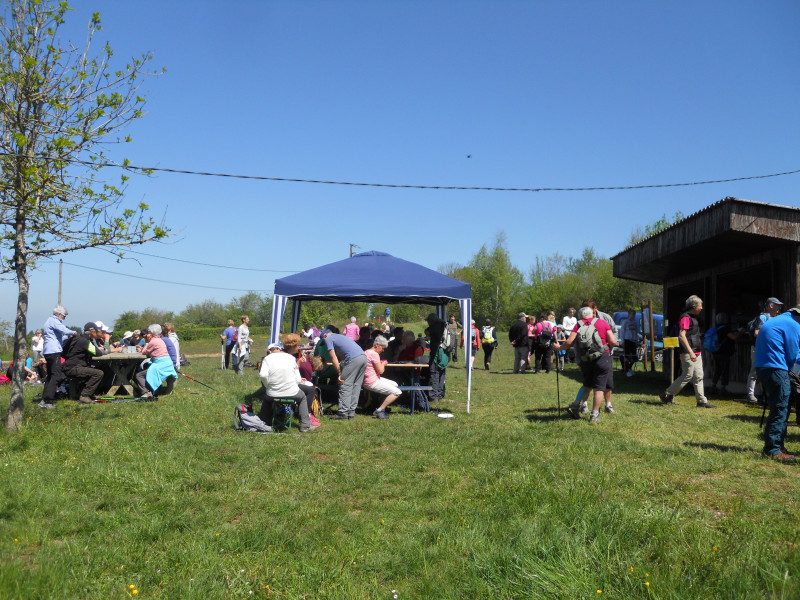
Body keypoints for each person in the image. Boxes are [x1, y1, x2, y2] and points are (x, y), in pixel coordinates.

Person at [754, 305, 800, 461]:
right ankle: (773, 449)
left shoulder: (777, 320)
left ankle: (777, 445)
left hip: (763, 367)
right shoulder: (793, 325)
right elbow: (793, 355)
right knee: (780, 408)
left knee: (779, 407)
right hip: (776, 369)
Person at [557, 306, 617, 423]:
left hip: (586, 359)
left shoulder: (578, 324)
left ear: (580, 316)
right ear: (592, 314)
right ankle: (594, 415)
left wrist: (559, 348)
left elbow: (569, 342)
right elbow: (613, 341)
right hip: (602, 357)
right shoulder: (602, 322)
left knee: (587, 384)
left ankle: (575, 405)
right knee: (599, 388)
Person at [660, 295, 716, 408]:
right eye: (700, 305)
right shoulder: (685, 318)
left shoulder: (694, 318)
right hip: (688, 352)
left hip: (697, 352)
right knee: (687, 375)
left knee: (699, 376)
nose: (702, 307)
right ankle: (667, 394)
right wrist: (690, 352)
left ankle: (701, 401)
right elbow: (682, 336)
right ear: (694, 306)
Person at [258, 338, 317, 433]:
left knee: (267, 398)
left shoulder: (267, 359)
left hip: (273, 393)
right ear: (280, 349)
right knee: (302, 398)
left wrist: (267, 385)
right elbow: (298, 380)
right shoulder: (291, 358)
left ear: (270, 351)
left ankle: (263, 422)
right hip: (292, 392)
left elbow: (263, 375)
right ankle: (305, 426)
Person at [321, 326, 367, 419]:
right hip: (363, 357)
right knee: (356, 386)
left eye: (323, 342)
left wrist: (339, 374)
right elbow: (343, 356)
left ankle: (343, 413)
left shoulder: (329, 338)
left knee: (345, 384)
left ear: (325, 336)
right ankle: (351, 412)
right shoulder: (340, 337)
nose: (325, 344)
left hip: (353, 359)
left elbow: (334, 358)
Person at [746, 297, 783, 404]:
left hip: (768, 349)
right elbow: (756, 333)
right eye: (778, 305)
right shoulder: (763, 317)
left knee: (767, 372)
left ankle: (765, 395)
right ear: (771, 306)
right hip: (759, 349)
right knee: (754, 372)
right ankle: (751, 395)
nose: (779, 307)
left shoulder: (775, 318)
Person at [40, 305, 75, 409]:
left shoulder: (49, 321)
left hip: (48, 351)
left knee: (50, 375)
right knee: (56, 375)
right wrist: (73, 332)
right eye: (64, 316)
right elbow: (63, 330)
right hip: (53, 351)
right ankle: (49, 401)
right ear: (59, 314)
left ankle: (44, 399)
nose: (64, 318)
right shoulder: (54, 321)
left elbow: (59, 335)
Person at [62, 322, 104, 404]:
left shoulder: (76, 338)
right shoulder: (85, 341)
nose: (97, 332)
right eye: (95, 331)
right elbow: (98, 353)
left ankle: (74, 395)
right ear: (91, 331)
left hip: (68, 367)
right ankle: (85, 396)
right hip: (74, 368)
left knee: (89, 370)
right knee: (98, 373)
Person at [134, 324, 178, 399]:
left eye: (148, 332)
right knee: (146, 370)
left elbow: (144, 352)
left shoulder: (153, 342)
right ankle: (154, 389)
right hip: (167, 363)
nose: (146, 334)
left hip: (160, 364)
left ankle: (145, 393)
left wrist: (146, 342)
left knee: (139, 375)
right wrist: (144, 348)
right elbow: (147, 350)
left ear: (152, 334)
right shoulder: (159, 340)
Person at [364, 335, 403, 419]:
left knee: (395, 384)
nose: (383, 350)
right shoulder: (374, 354)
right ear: (377, 345)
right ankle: (380, 410)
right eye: (383, 348)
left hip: (369, 379)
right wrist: (383, 363)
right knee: (397, 392)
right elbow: (381, 371)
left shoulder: (367, 352)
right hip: (371, 381)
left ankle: (381, 404)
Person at [708, 312, 740, 396]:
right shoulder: (725, 329)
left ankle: (713, 386)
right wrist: (741, 332)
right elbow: (734, 337)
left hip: (716, 352)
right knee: (725, 370)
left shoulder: (716, 328)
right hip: (724, 353)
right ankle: (723, 388)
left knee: (717, 369)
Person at [426, 313, 448, 400]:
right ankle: (440, 393)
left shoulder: (435, 326)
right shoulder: (443, 325)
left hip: (436, 353)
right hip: (444, 354)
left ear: (431, 321)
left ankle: (433, 395)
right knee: (441, 373)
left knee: (434, 373)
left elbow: (427, 332)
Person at [619, 309, 639, 376]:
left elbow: (636, 332)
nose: (633, 316)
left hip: (633, 341)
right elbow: (622, 332)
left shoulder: (635, 322)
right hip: (627, 340)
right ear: (629, 314)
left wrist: (636, 340)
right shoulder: (625, 322)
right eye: (632, 314)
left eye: (634, 314)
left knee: (634, 357)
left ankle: (629, 368)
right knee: (627, 356)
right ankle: (627, 371)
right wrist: (622, 341)